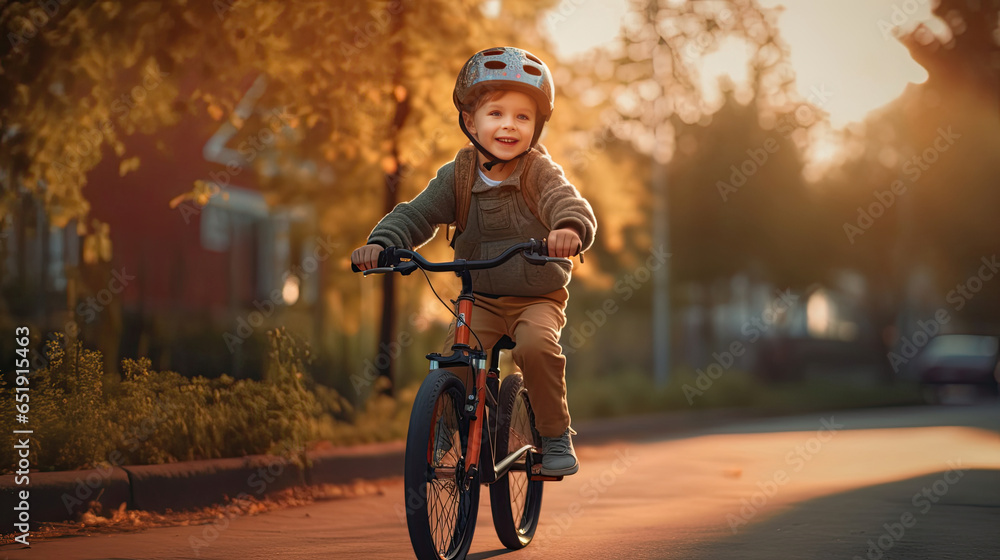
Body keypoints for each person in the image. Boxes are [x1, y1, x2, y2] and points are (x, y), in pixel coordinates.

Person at [351, 47, 597, 476]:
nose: (509, 125)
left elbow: (567, 201)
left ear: (537, 127)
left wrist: (569, 230)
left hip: (536, 297)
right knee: (455, 358)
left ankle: (555, 433)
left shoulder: (538, 173)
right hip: (478, 298)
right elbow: (417, 213)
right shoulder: (458, 176)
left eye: (523, 117)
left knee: (536, 347)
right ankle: (443, 427)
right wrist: (383, 242)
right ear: (471, 121)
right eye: (496, 113)